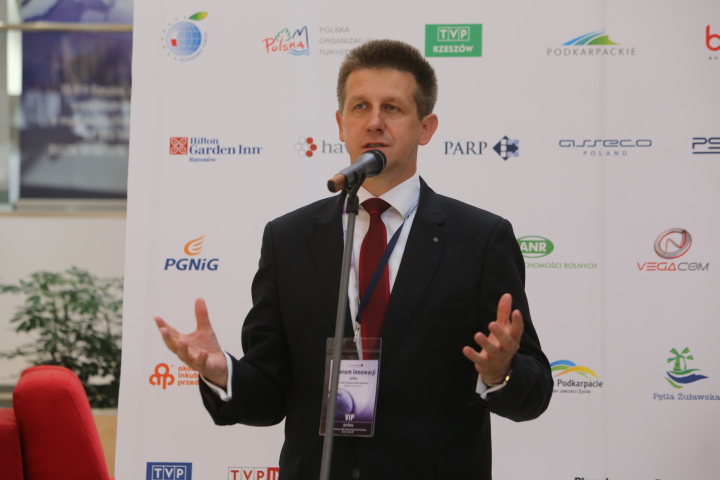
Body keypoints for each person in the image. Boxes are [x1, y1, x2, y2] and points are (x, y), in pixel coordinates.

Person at [155, 39, 552, 480]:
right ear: (341, 124)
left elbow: (536, 392)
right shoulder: (288, 239)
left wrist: (501, 372)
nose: (374, 121)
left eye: (392, 108)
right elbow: (269, 392)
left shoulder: (480, 239)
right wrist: (223, 373)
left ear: (426, 128)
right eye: (360, 106)